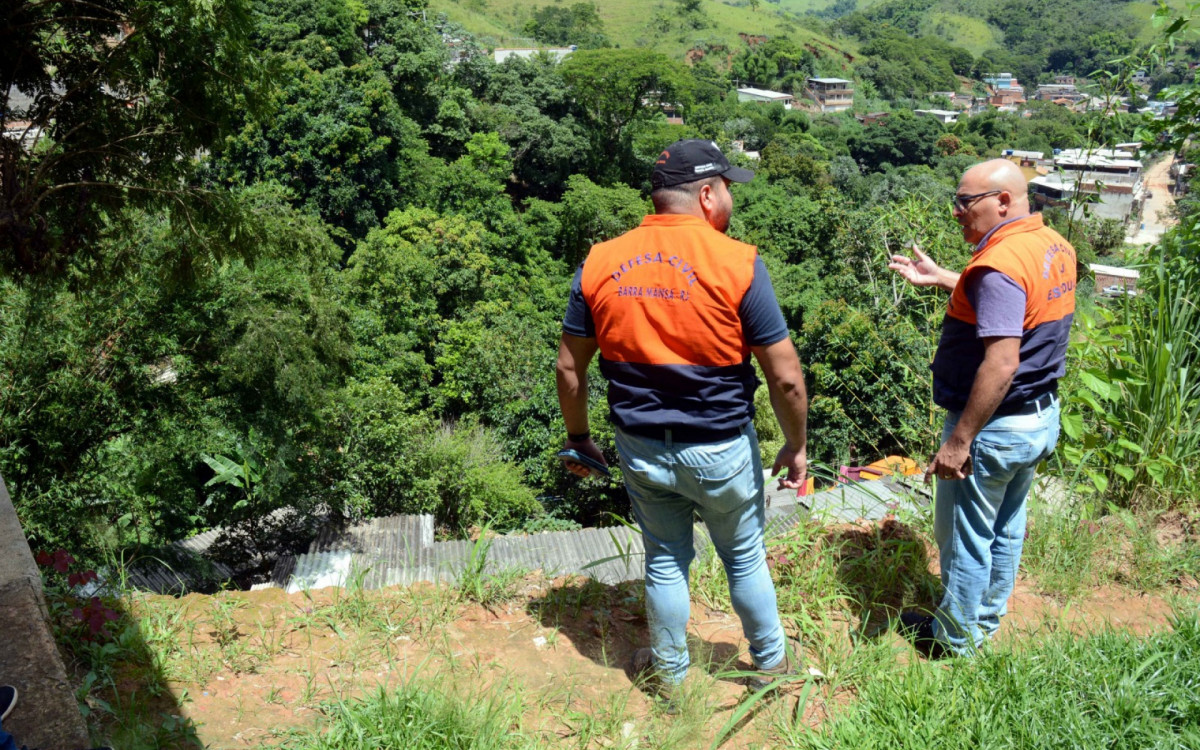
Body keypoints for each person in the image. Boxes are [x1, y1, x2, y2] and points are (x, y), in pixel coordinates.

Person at [555, 139, 816, 703]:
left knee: (666, 561)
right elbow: (787, 378)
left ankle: (671, 677)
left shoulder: (600, 261)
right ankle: (770, 663)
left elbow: (569, 366)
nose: (730, 200)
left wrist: (580, 439)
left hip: (641, 447)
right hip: (720, 447)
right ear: (705, 194)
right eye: (727, 188)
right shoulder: (738, 263)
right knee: (743, 556)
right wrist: (796, 445)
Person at [889, 158, 1076, 657]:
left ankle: (954, 642)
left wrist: (959, 439)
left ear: (1003, 201)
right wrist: (945, 278)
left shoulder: (999, 265)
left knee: (966, 538)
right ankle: (985, 622)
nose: (956, 212)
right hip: (1038, 417)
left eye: (964, 202)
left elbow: (1000, 362)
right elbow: (1013, 306)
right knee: (1006, 527)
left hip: (994, 427)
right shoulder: (1050, 245)